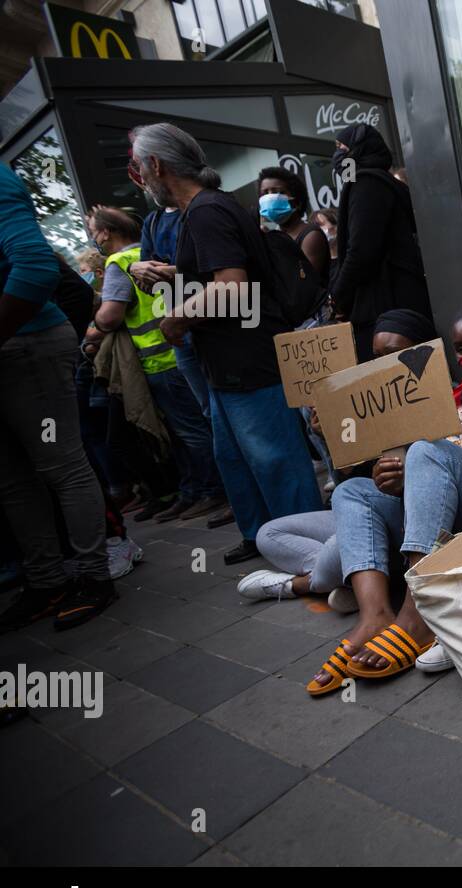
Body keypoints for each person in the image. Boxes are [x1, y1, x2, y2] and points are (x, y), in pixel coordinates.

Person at [132, 122, 321, 565]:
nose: (141, 176)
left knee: (273, 456)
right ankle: (263, 537)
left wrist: (178, 317)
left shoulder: (206, 211)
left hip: (246, 359)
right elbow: (224, 276)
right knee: (235, 457)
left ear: (157, 165)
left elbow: (234, 287)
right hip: (224, 362)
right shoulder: (205, 209)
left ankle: (309, 545)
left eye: (142, 167)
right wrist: (173, 277)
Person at [306, 300, 462, 694]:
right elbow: (382, 478)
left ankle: (418, 610)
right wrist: (335, 439)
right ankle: (375, 614)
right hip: (432, 525)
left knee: (426, 450)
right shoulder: (440, 400)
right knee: (353, 490)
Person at [234, 309, 436, 608]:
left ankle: (301, 584)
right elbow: (349, 485)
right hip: (368, 513)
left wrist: (409, 478)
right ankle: (356, 578)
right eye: (376, 355)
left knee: (344, 544)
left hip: (408, 525)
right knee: (269, 533)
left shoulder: (442, 400)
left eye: (394, 353)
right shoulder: (372, 399)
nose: (383, 363)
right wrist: (331, 438)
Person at [0, 164, 116, 632]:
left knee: (62, 465)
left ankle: (94, 577)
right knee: (11, 479)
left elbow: (34, 264)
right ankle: (47, 581)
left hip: (25, 344)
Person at [87, 205, 226, 522]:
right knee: (189, 429)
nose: (93, 237)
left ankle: (213, 491)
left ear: (106, 232)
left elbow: (110, 316)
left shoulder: (118, 262)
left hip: (160, 360)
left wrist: (95, 322)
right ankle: (194, 491)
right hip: (177, 350)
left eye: (94, 231)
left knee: (188, 433)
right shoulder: (149, 254)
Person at [329, 123, 431, 361]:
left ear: (359, 150)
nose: (337, 155)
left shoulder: (367, 184)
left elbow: (362, 251)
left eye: (342, 147)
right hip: (398, 301)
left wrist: (339, 296)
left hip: (385, 309)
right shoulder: (382, 183)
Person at [257, 166, 330, 288]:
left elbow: (303, 284)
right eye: (265, 193)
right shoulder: (273, 236)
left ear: (297, 201)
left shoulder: (311, 235)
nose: (270, 198)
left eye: (277, 192)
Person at [311, 208, 340, 286]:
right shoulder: (320, 265)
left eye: (332, 221)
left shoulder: (352, 254)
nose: (329, 226)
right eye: (321, 224)